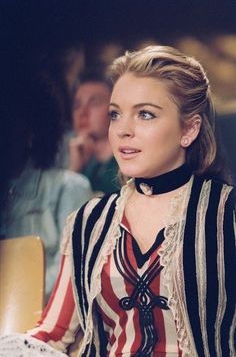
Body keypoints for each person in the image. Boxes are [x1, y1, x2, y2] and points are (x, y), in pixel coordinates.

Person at [0, 45, 235, 356]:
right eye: (115, 114)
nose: (123, 130)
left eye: (145, 114)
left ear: (189, 129)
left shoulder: (226, 213)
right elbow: (53, 333)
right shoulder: (89, 221)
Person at [0, 72, 92, 298]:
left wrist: (19, 294)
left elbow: (75, 273)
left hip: (40, 325)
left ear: (30, 131)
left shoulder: (68, 187)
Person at [57, 69, 120, 195]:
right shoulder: (74, 158)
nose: (83, 113)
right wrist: (74, 169)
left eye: (94, 103)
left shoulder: (125, 165)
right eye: (77, 105)